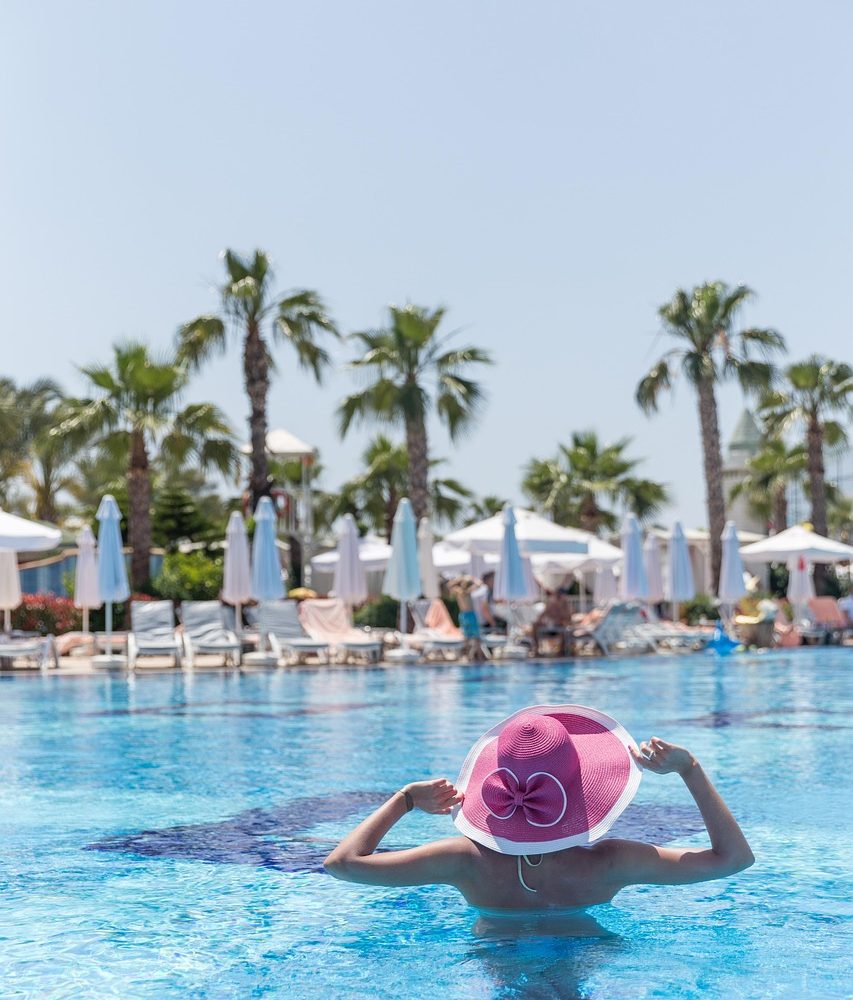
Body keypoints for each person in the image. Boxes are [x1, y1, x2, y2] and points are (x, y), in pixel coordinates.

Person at [325, 704, 754, 917]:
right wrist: (691, 770)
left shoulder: (463, 862)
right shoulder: (612, 863)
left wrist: (404, 800)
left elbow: (344, 864)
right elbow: (735, 859)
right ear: (585, 787)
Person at [448, 575, 487, 661]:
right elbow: (480, 584)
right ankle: (477, 656)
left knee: (467, 637)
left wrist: (460, 579)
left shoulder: (459, 591)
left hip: (463, 616)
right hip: (470, 616)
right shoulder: (466, 591)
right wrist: (472, 578)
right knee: (475, 637)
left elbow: (450, 585)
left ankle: (468, 656)